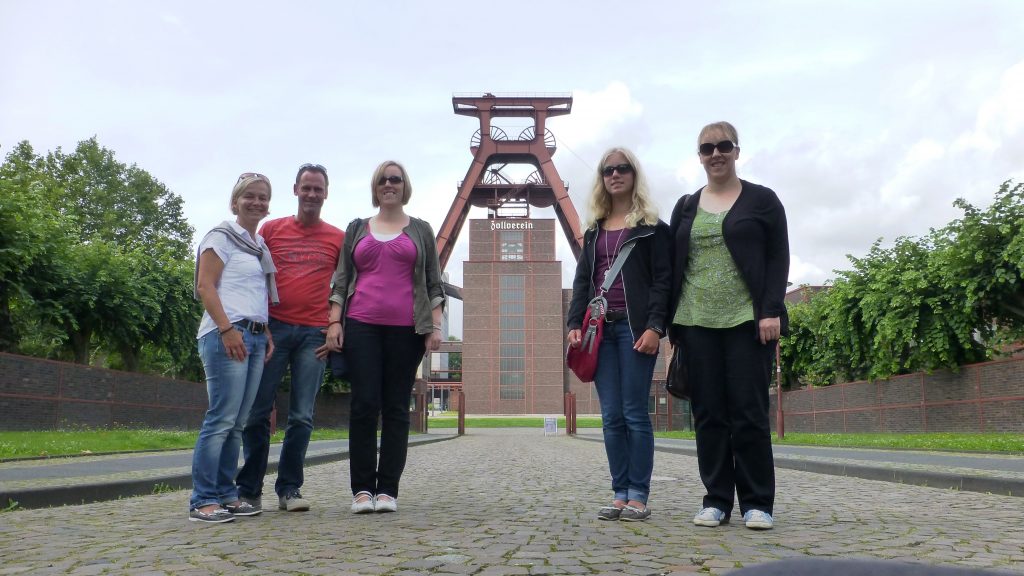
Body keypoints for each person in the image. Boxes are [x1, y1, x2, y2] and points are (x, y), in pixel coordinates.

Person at [668, 121, 790, 530]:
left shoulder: (762, 200)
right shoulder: (686, 205)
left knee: (749, 412)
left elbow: (778, 257)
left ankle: (757, 503)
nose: (715, 154)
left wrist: (771, 310)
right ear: (699, 156)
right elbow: (674, 264)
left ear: (737, 151)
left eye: (723, 146)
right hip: (695, 321)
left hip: (746, 320)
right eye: (707, 148)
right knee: (708, 414)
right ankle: (716, 499)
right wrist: (670, 324)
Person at [326, 160, 445, 514]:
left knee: (395, 407)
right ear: (375, 187)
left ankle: (388, 490)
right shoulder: (357, 228)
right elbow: (341, 279)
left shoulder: (421, 230)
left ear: (405, 186)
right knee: (364, 404)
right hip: (361, 324)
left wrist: (435, 326)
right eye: (383, 180)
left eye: (395, 179)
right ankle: (362, 490)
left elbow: (433, 281)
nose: (389, 184)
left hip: (406, 329)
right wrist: (334, 322)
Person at [567, 147, 671, 522]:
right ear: (602, 178)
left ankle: (639, 495)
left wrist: (655, 327)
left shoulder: (653, 229)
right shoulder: (593, 230)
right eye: (608, 170)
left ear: (634, 174)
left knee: (634, 413)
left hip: (634, 328)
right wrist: (573, 323)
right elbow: (583, 280)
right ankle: (620, 494)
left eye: (622, 168)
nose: (615, 174)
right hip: (600, 331)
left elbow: (663, 281)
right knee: (611, 415)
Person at [236, 163, 344, 513]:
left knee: (301, 416)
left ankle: (289, 489)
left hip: (314, 334)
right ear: (296, 190)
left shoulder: (338, 238)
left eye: (318, 189)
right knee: (257, 411)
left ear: (326, 194)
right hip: (275, 329)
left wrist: (334, 323)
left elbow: (344, 285)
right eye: (306, 187)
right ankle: (249, 490)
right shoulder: (272, 229)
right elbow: (255, 276)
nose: (312, 194)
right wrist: (261, 320)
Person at [189, 172, 277, 523]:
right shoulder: (221, 237)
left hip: (253, 335)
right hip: (227, 333)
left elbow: (253, 293)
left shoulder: (259, 246)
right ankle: (202, 499)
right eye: (249, 196)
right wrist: (227, 329)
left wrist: (264, 330)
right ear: (235, 201)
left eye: (262, 197)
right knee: (221, 418)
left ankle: (227, 493)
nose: (256, 202)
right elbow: (205, 286)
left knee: (238, 422)